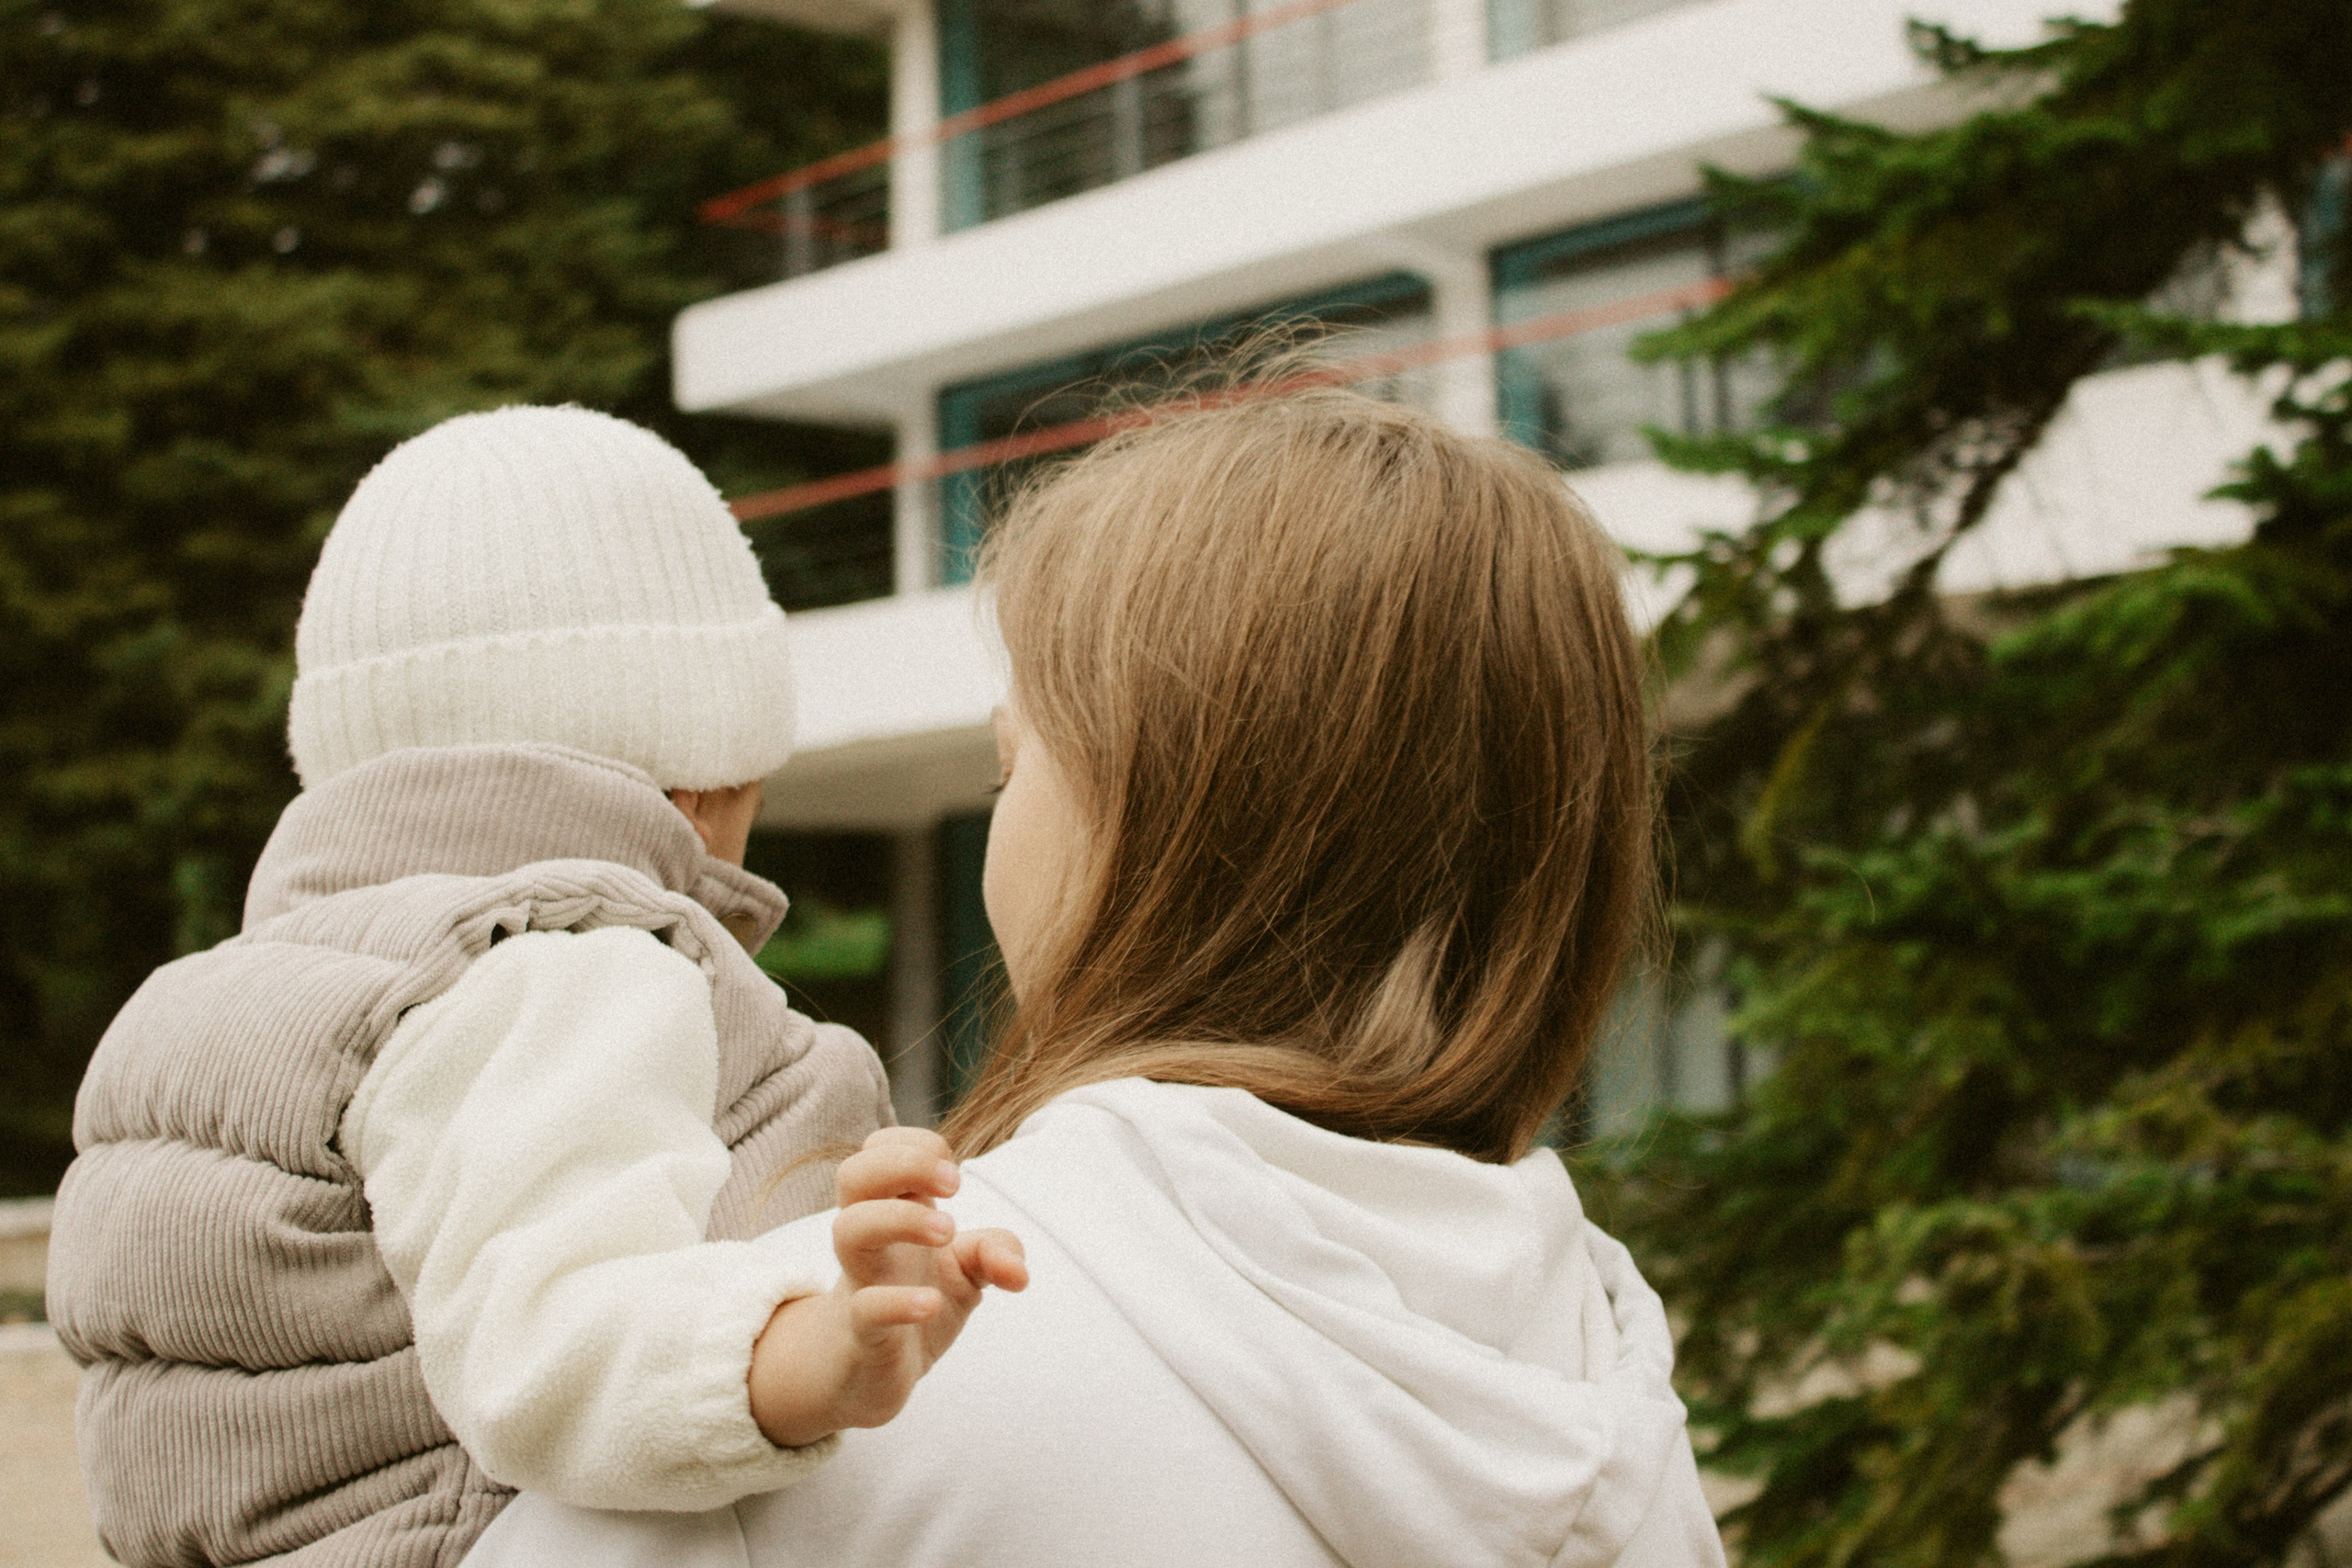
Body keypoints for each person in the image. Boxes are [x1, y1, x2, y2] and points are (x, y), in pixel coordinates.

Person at [463, 385, 1730, 1568]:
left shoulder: (871, 1356)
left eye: (1011, 767)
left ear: (1165, 825)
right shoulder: (1610, 1395)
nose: (997, 818)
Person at [44, 407, 1024, 1568]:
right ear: (700, 782)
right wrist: (807, 1353)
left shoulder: (226, 1000)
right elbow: (556, 1342)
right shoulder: (563, 964)